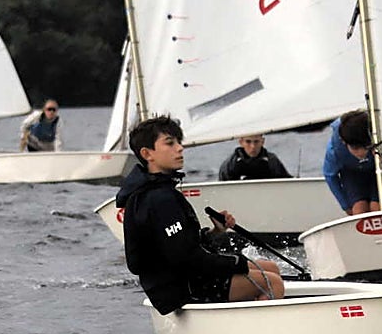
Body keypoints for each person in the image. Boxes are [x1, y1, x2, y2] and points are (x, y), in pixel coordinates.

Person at [116, 115, 284, 315]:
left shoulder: (160, 191)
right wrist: (236, 263)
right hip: (181, 288)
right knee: (272, 282)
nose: (180, 148)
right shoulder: (159, 199)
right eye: (170, 143)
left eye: (179, 142)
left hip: (185, 278)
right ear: (147, 153)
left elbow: (179, 245)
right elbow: (185, 258)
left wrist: (215, 233)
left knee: (271, 267)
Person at [323, 109, 382, 215]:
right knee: (359, 210)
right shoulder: (334, 151)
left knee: (376, 208)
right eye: (355, 148)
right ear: (344, 142)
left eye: (366, 147)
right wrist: (345, 205)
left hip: (378, 169)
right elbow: (330, 176)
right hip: (352, 174)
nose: (361, 153)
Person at [218, 134, 291, 181]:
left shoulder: (272, 161)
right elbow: (222, 189)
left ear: (262, 142)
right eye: (248, 142)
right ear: (241, 142)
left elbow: (286, 183)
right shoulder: (231, 163)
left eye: (256, 142)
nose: (253, 146)